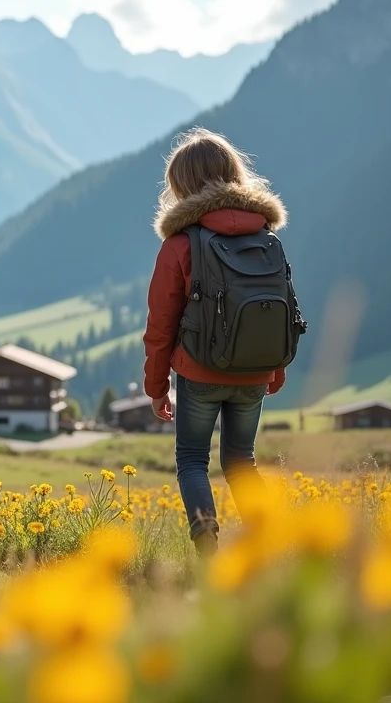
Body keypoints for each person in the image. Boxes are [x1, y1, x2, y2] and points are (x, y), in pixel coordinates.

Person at [142, 127, 287, 557]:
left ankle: (207, 547)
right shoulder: (266, 237)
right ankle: (270, 541)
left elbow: (160, 325)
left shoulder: (180, 244)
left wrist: (155, 387)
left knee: (192, 460)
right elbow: (275, 307)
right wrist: (273, 369)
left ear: (182, 186)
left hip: (198, 371)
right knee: (242, 461)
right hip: (254, 371)